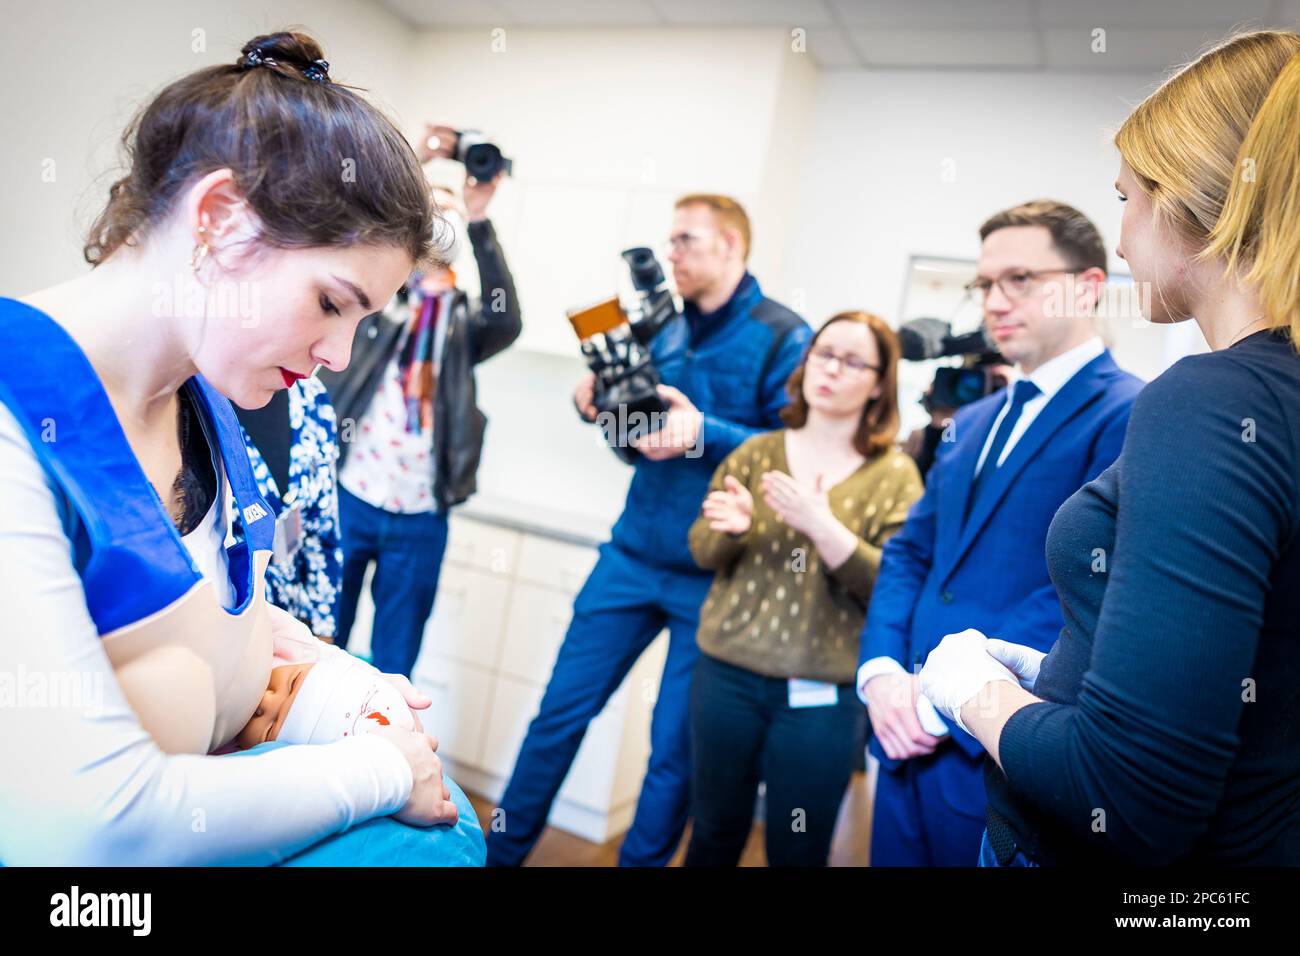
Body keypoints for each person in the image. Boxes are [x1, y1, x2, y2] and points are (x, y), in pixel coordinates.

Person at [0, 32, 482, 865]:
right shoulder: (20, 421)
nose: (338, 355)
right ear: (220, 219)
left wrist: (341, 690)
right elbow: (90, 830)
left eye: (362, 321)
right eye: (332, 302)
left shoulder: (206, 403)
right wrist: (375, 767)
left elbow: (215, 630)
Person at [920, 28, 1300, 867]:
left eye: (1127, 199)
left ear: (1196, 198)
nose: (1122, 237)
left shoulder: (1210, 400)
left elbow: (1127, 795)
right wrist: (1057, 674)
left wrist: (973, 692)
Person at [487, 195, 812, 866]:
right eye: (670, 241)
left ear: (730, 246)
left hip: (716, 575)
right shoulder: (657, 329)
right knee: (557, 717)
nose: (672, 255)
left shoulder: (784, 334)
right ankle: (496, 855)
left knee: (674, 751)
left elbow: (796, 452)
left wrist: (707, 432)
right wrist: (599, 410)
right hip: (630, 558)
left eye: (686, 241)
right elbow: (637, 443)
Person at [857, 200, 1143, 866]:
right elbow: (911, 553)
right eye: (985, 284)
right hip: (899, 730)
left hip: (993, 748)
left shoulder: (1131, 412)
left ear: (1089, 287)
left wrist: (938, 704)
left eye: (1020, 279)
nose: (995, 300)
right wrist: (879, 674)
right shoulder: (975, 418)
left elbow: (1088, 587)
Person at [683, 311, 922, 866]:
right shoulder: (756, 452)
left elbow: (892, 587)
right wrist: (731, 532)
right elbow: (701, 551)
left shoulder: (895, 476)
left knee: (798, 848)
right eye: (823, 353)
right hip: (726, 680)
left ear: (879, 384)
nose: (831, 369)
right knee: (713, 833)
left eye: (851, 360)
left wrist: (822, 526)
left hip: (823, 696)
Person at [318, 147, 521, 678]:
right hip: (351, 494)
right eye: (431, 203)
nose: (441, 215)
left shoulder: (463, 322)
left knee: (394, 664)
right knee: (319, 643)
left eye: (448, 205)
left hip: (422, 514)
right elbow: (349, 231)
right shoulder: (377, 298)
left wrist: (478, 220)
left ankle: (380, 757)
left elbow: (509, 319)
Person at [234, 376, 344, 639]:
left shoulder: (312, 397)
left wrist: (322, 634)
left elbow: (323, 530)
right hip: (228, 632)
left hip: (291, 632)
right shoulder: (198, 400)